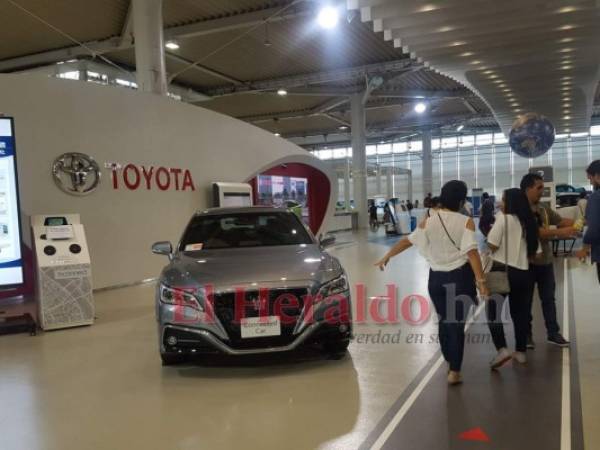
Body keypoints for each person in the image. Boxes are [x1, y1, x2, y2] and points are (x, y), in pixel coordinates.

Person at [375, 180, 489, 385]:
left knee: (445, 320)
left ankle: (448, 358)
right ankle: (455, 370)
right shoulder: (466, 221)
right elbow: (472, 253)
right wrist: (481, 281)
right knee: (456, 325)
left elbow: (406, 241)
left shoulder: (429, 221)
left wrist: (387, 256)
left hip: (436, 280)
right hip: (459, 278)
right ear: (462, 200)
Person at [485, 188, 539, 368]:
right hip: (524, 273)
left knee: (493, 313)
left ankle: (502, 349)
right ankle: (521, 352)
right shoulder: (529, 222)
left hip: (501, 271)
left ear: (511, 202)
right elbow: (536, 254)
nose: (501, 203)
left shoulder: (503, 219)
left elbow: (491, 244)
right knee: (521, 314)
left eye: (503, 200)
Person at [521, 173, 576, 348]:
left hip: (545, 262)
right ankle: (526, 335)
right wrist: (561, 233)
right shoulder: (520, 210)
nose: (541, 191)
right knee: (525, 301)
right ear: (528, 188)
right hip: (526, 263)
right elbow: (536, 232)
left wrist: (581, 222)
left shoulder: (544, 208)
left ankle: (553, 333)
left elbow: (560, 221)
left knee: (549, 299)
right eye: (538, 188)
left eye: (543, 188)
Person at [576, 160, 600, 284]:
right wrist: (578, 224)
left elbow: (594, 229)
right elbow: (588, 218)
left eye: (590, 178)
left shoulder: (595, 197)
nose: (590, 182)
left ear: (596, 176)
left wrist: (584, 249)